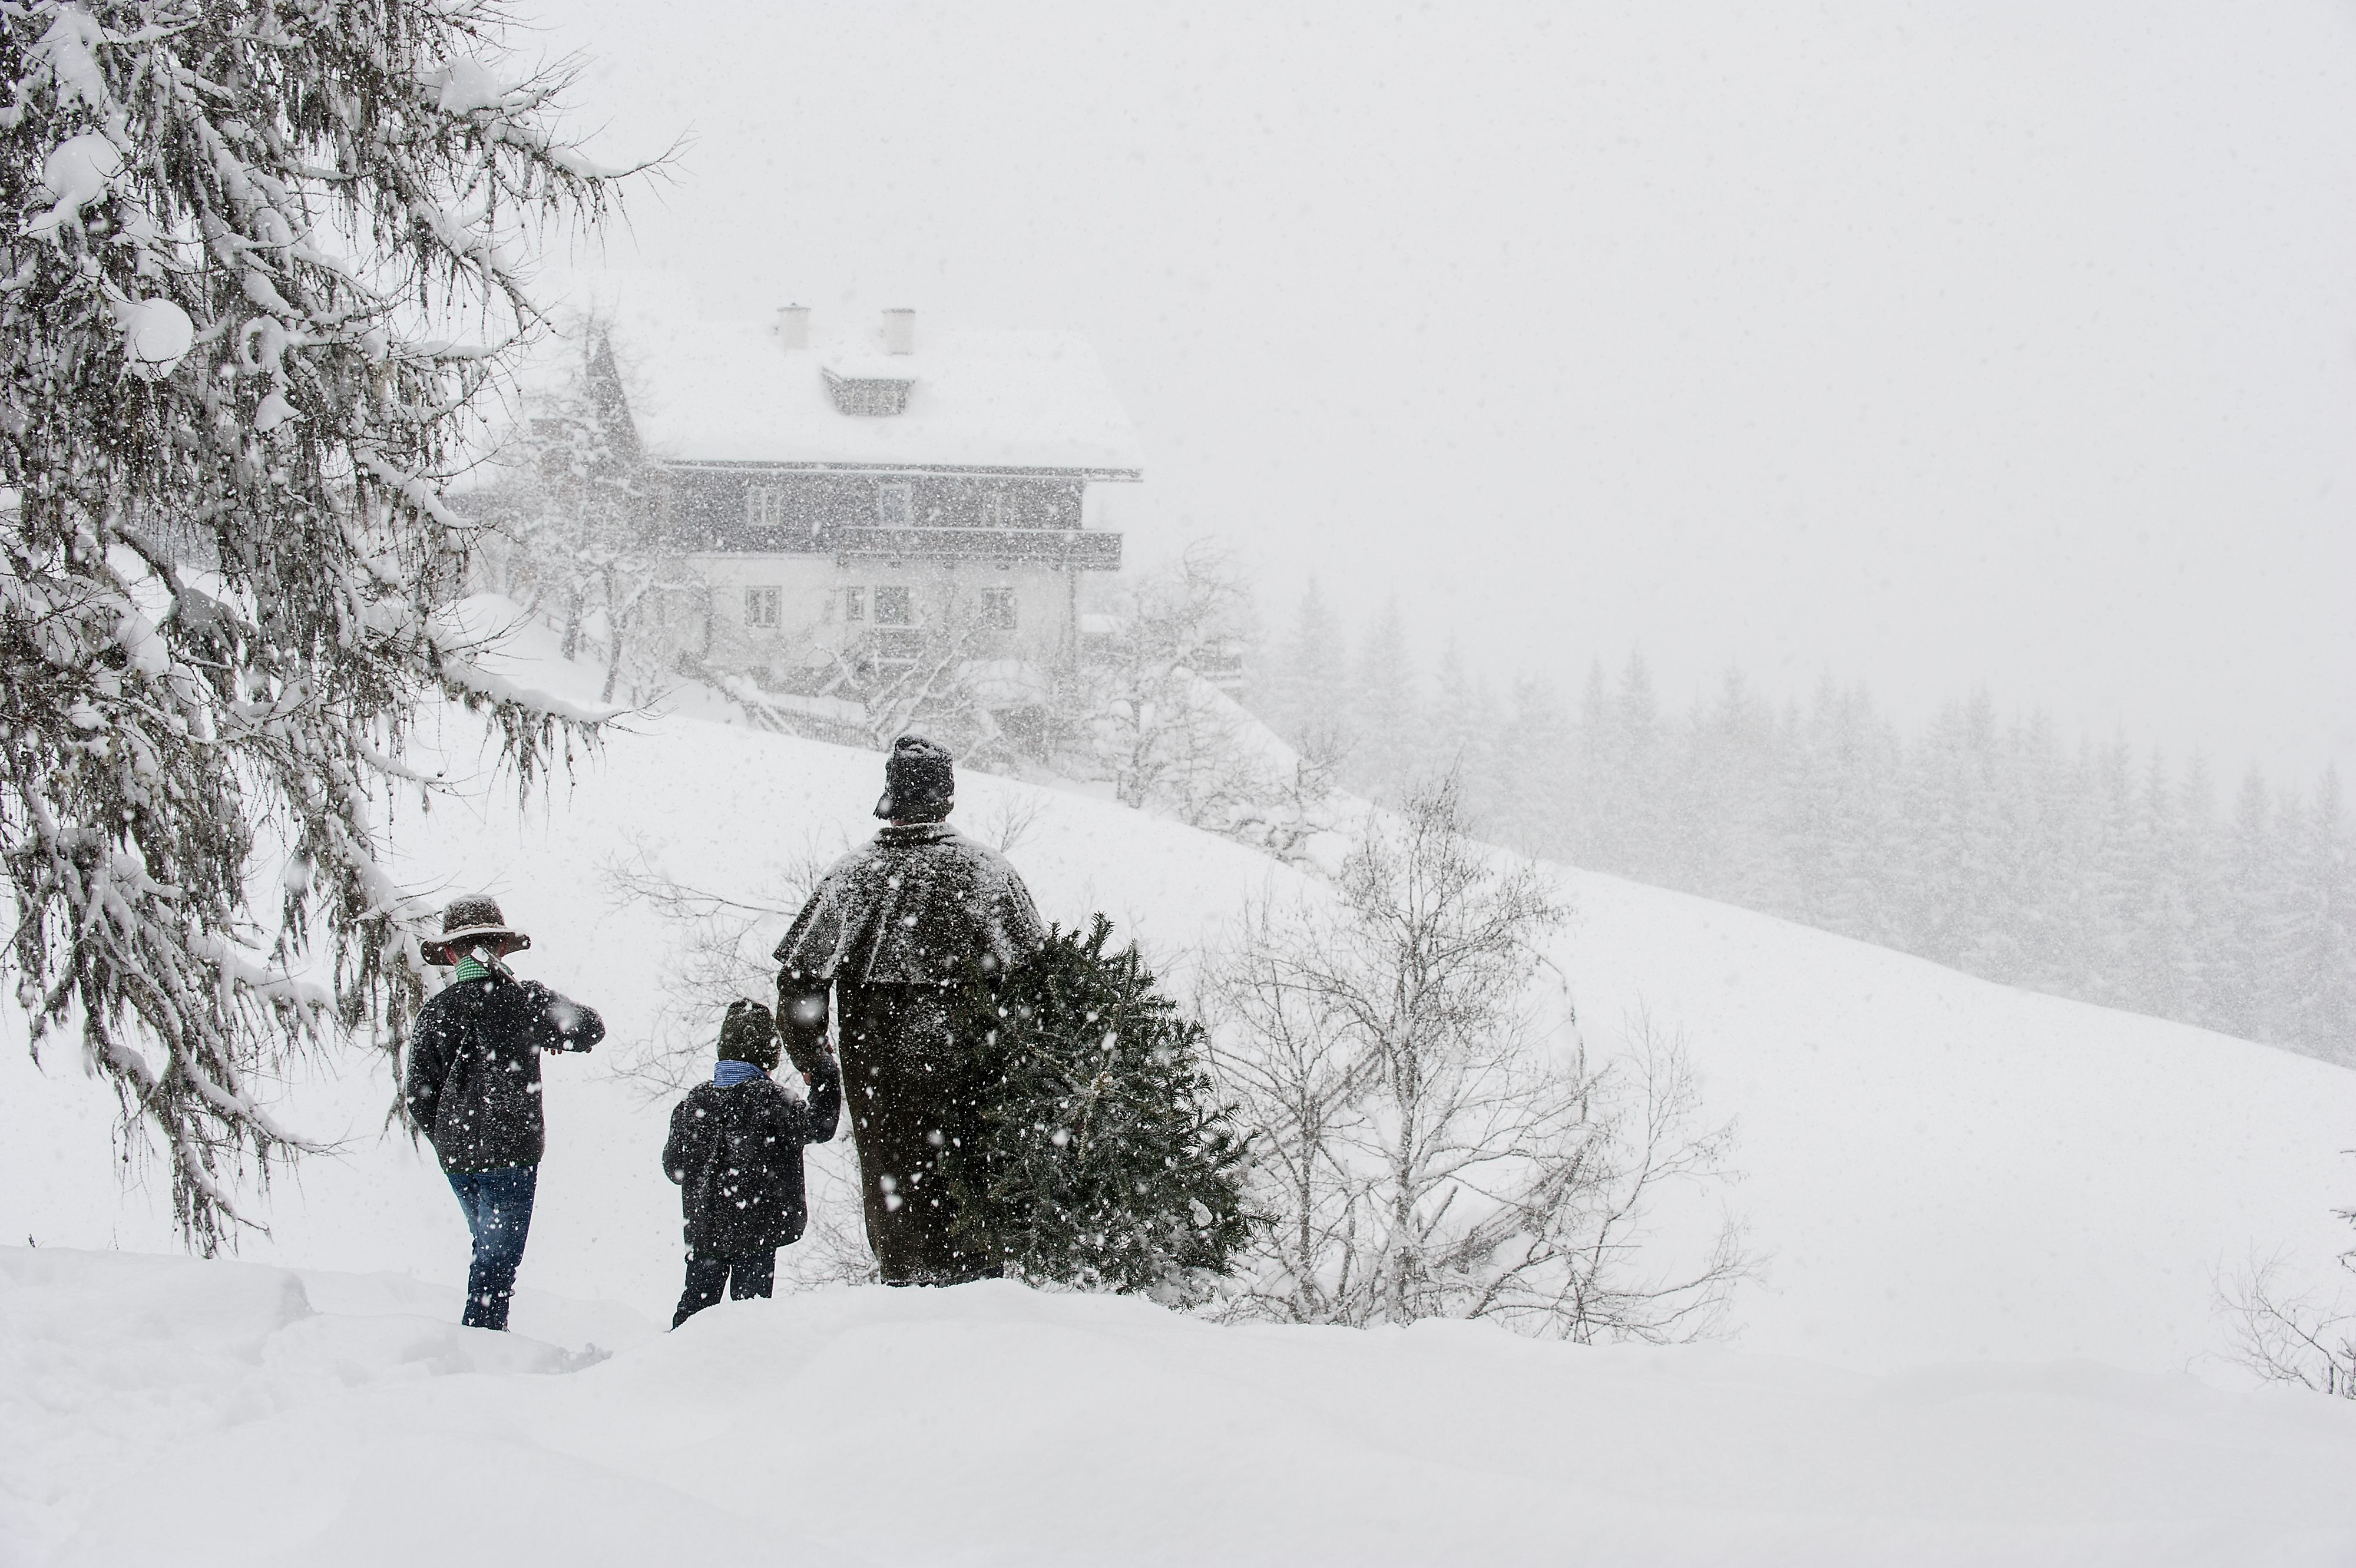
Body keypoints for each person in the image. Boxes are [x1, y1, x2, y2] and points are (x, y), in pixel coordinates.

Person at [773, 735, 1046, 1285]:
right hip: (976, 1085)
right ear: (946, 796)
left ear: (891, 795)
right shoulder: (988, 875)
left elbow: (800, 987)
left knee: (900, 1227)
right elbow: (1039, 987)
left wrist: (819, 1066)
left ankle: (906, 1308)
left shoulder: (852, 879)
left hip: (883, 1089)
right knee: (972, 1219)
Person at [403, 896, 604, 1331]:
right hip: (512, 1151)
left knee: (489, 1250)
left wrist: (451, 1137)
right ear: (500, 947)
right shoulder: (524, 1000)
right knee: (498, 1262)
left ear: (453, 954)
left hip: (459, 1158)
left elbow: (418, 1097)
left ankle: (485, 1342)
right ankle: (483, 1343)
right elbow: (591, 1027)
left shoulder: (436, 1012)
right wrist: (546, 1026)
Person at [662, 998, 843, 1327]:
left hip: (707, 1233)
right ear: (768, 1056)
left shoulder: (693, 1104)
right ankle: (744, 1370)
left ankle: (679, 1366)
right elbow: (821, 1125)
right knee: (750, 1315)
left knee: (694, 1310)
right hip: (759, 1231)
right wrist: (824, 1070)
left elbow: (674, 1168)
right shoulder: (774, 1101)